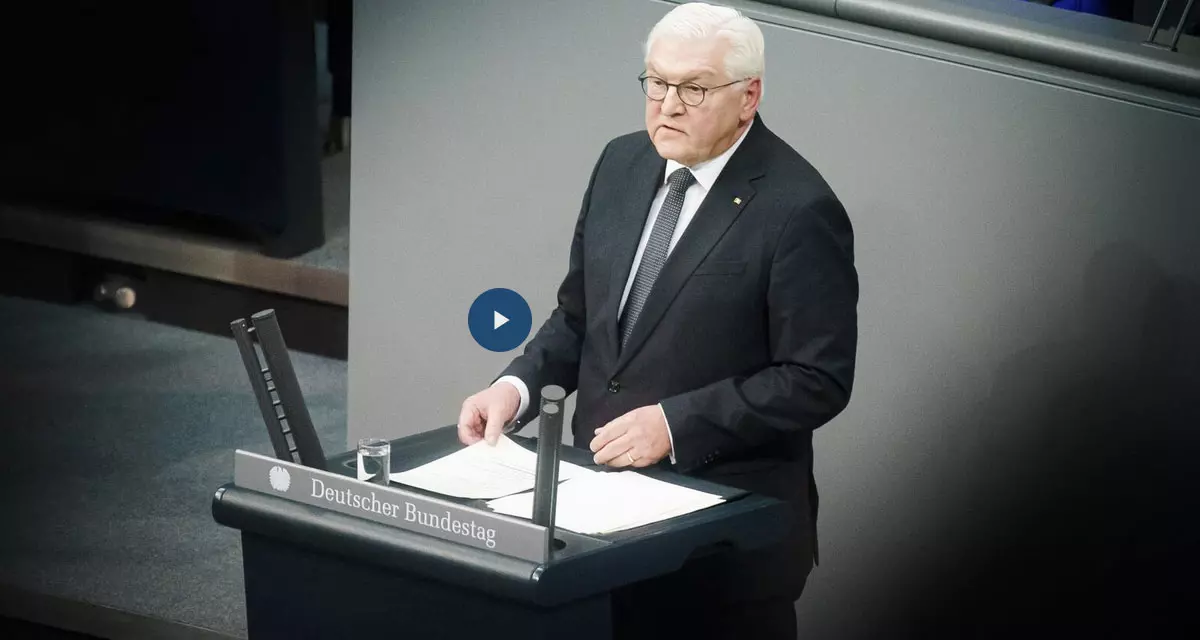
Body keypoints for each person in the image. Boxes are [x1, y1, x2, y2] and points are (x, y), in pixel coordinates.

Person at [457, 3, 858, 638]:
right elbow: (578, 317)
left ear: (747, 96)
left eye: (693, 88)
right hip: (596, 523)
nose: (667, 105)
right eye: (656, 82)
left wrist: (676, 424)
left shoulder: (799, 208)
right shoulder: (620, 163)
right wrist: (515, 388)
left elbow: (817, 378)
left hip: (719, 542)